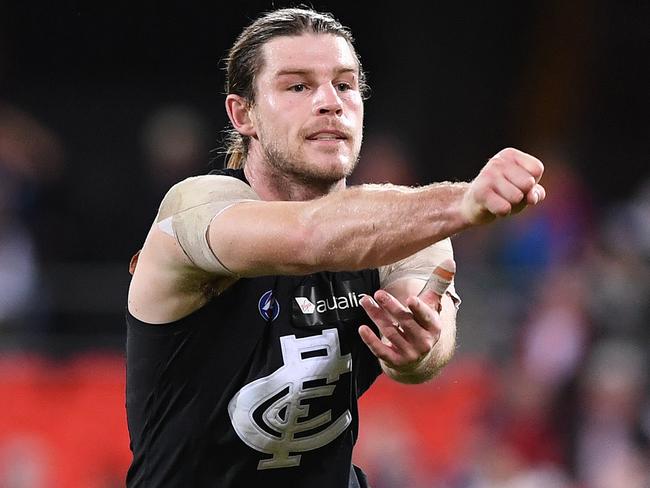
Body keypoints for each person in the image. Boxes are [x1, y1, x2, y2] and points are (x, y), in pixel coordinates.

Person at [125, 7, 546, 487]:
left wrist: (418, 348)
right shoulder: (194, 207)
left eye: (345, 85)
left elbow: (429, 331)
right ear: (243, 114)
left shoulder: (399, 224)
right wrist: (464, 200)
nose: (330, 102)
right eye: (298, 86)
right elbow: (307, 237)